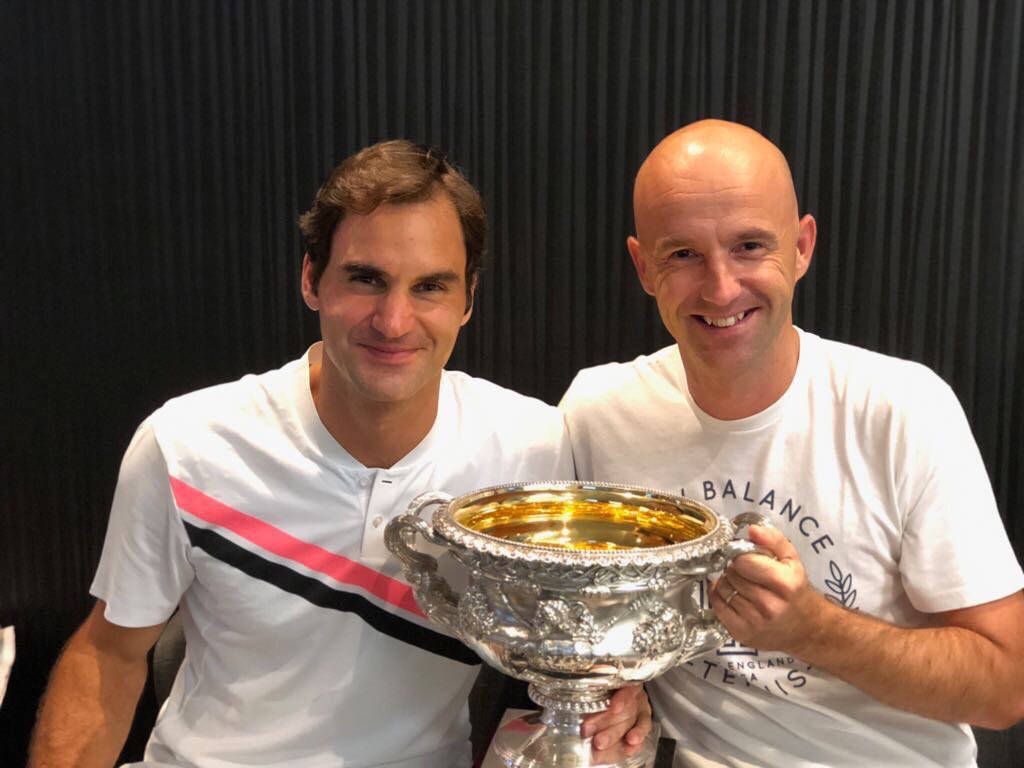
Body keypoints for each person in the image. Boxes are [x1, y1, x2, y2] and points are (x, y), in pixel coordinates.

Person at [29, 140, 650, 768]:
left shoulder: (536, 450)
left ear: (467, 300)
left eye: (430, 286)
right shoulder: (186, 443)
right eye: (366, 279)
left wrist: (624, 693)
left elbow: (583, 648)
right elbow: (109, 655)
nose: (394, 320)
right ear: (311, 280)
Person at [560, 119, 1024, 767]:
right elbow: (590, 620)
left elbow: (1006, 688)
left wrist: (812, 629)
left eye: (750, 245)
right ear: (643, 266)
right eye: (684, 254)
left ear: (803, 246)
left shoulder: (901, 409)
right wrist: (623, 687)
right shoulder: (596, 413)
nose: (721, 289)